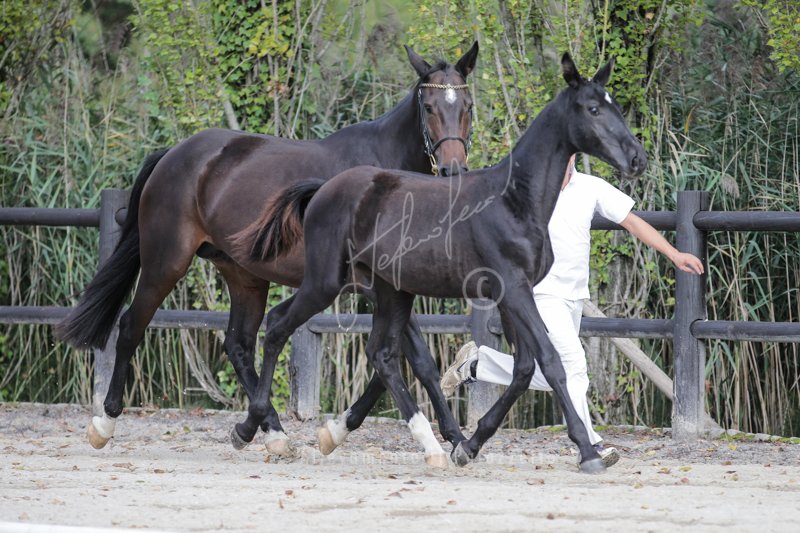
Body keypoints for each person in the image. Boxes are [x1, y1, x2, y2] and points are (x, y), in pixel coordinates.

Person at [441, 153, 705, 468]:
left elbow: (632, 222)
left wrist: (674, 254)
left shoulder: (591, 187)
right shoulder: (525, 188)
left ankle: (478, 365)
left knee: (552, 373)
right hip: (539, 293)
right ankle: (589, 446)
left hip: (575, 294)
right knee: (575, 365)